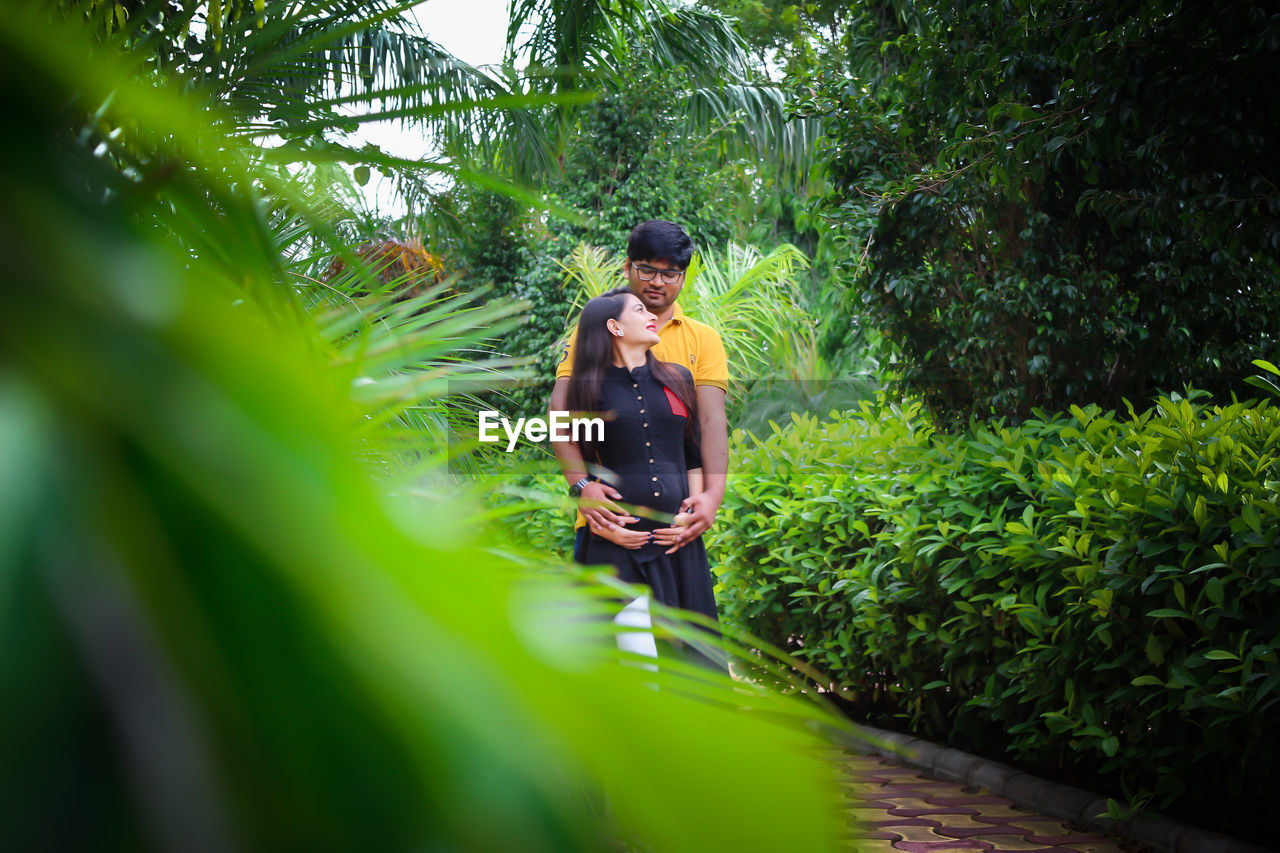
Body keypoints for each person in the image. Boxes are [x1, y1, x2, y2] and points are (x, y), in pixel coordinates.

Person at [549, 220, 730, 661]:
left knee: (688, 658)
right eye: (647, 269)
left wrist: (710, 499)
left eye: (671, 273)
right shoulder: (597, 326)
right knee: (612, 660)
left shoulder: (701, 340)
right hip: (609, 525)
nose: (658, 282)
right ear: (629, 266)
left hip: (676, 527)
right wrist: (582, 488)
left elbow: (709, 424)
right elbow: (561, 414)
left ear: (684, 277)